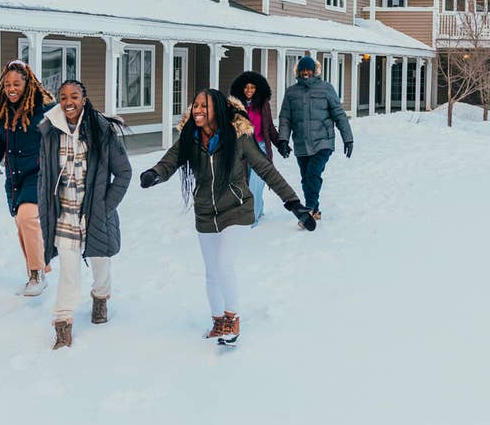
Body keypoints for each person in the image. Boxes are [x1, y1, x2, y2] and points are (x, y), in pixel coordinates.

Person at [140, 89, 316, 346]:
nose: (198, 110)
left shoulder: (239, 137)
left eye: (205, 106)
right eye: (196, 105)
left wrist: (294, 203)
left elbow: (265, 169)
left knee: (224, 264)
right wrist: (155, 174)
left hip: (237, 209)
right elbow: (171, 160)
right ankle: (218, 322)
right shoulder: (190, 137)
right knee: (212, 272)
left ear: (219, 111)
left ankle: (232, 319)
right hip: (205, 212)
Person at [37, 80, 131, 350]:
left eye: (75, 96)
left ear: (84, 98)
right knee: (68, 270)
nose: (69, 102)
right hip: (65, 214)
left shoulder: (102, 130)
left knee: (101, 263)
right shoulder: (49, 131)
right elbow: (45, 176)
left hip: (95, 213)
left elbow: (124, 172)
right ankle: (63, 322)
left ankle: (100, 297)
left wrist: (104, 207)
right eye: (63, 97)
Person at [0, 60, 55, 296]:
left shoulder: (44, 110)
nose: (11, 89)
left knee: (27, 218)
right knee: (22, 226)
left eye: (16, 84)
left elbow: (65, 134)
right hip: (15, 179)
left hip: (39, 174)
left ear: (28, 84)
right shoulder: (1, 111)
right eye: (7, 85)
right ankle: (36, 271)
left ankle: (37, 274)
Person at [276, 55, 354, 222]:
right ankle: (315, 210)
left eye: (309, 69)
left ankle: (309, 210)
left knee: (313, 174)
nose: (305, 72)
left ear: (315, 71)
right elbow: (285, 118)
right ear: (298, 71)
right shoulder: (291, 92)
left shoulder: (326, 89)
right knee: (306, 178)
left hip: (323, 141)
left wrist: (348, 138)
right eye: (302, 70)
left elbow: (339, 114)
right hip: (301, 142)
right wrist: (283, 140)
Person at [229, 70, 283, 227]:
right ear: (241, 88)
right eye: (246, 87)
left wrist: (280, 143)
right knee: (246, 184)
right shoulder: (234, 106)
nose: (249, 90)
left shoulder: (263, 104)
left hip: (261, 148)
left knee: (256, 184)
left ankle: (251, 218)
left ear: (258, 88)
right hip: (243, 150)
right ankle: (258, 209)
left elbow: (270, 127)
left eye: (252, 87)